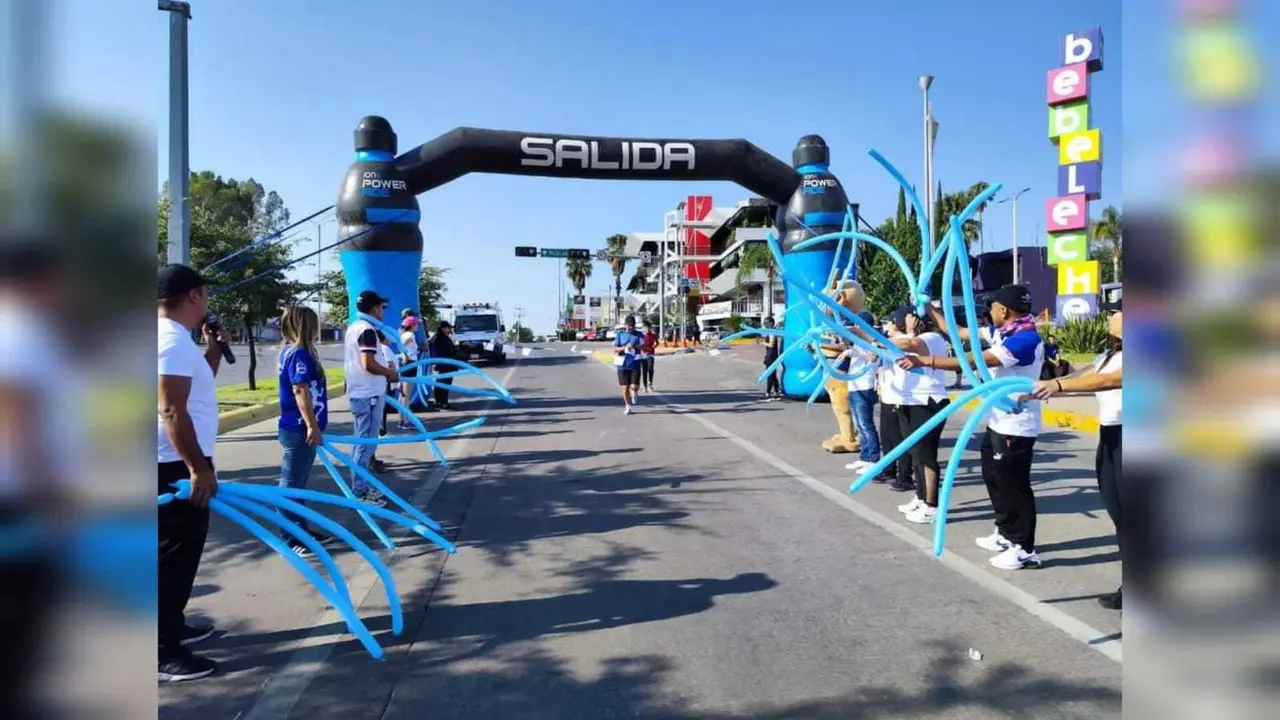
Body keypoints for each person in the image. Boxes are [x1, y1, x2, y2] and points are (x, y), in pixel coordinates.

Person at [901, 284, 1045, 570]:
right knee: (994, 480)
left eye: (992, 307)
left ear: (1003, 311)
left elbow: (971, 361)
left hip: (1017, 425)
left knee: (1013, 486)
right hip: (998, 421)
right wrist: (929, 306)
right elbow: (957, 332)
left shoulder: (1023, 340)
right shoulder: (1004, 332)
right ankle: (1005, 533)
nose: (989, 312)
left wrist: (925, 361)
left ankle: (1024, 547)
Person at [0, 240, 79, 712]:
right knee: (20, 620)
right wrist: (50, 494)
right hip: (21, 501)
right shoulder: (21, 332)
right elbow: (18, 416)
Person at [157, 263, 226, 681]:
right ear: (194, 296)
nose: (208, 301)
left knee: (175, 556)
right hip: (176, 466)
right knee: (173, 559)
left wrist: (213, 351)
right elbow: (170, 408)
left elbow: (193, 389)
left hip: (173, 460)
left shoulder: (171, 340)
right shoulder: (171, 341)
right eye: (206, 293)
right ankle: (163, 651)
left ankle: (173, 625)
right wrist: (198, 469)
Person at [1034, 298, 1123, 606]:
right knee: (1118, 511)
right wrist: (1053, 380)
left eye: (1115, 312)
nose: (1110, 317)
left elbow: (1113, 380)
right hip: (1111, 435)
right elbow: (1085, 376)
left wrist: (1059, 386)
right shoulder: (1111, 353)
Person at [276, 305, 330, 556]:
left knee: (299, 484)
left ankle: (300, 529)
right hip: (299, 428)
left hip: (301, 428)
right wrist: (311, 425)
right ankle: (291, 537)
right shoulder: (299, 355)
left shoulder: (295, 353)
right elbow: (300, 390)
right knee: (291, 484)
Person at [892, 308, 953, 524]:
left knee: (926, 455)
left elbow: (910, 345)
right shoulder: (914, 337)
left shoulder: (932, 337)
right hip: (912, 401)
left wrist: (905, 332)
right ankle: (920, 496)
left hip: (929, 401)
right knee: (915, 454)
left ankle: (932, 505)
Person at [342, 290, 396, 506]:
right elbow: (368, 364)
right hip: (368, 395)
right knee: (365, 444)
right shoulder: (366, 330)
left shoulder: (356, 328)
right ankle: (359, 493)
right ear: (374, 308)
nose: (383, 311)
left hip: (363, 393)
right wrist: (389, 372)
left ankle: (360, 487)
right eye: (381, 307)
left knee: (361, 443)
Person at [816, 280, 865, 454]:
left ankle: (849, 438)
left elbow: (843, 345)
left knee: (841, 405)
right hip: (832, 366)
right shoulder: (832, 323)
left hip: (840, 368)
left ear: (841, 298)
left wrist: (820, 347)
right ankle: (849, 433)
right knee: (838, 404)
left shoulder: (845, 324)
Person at [872, 311, 916, 492]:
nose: (885, 327)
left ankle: (904, 476)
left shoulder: (909, 341)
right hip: (888, 395)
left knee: (902, 440)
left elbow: (908, 343)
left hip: (903, 397)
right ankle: (889, 469)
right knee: (888, 438)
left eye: (888, 323)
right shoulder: (887, 342)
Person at [842, 310, 881, 472]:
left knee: (866, 424)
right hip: (854, 385)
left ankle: (873, 459)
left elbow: (873, 356)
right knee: (859, 424)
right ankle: (865, 457)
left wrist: (854, 350)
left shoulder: (873, 341)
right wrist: (847, 349)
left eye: (859, 324)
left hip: (865, 387)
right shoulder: (860, 341)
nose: (856, 327)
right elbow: (858, 353)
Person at [613, 315, 644, 413]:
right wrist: (625, 348)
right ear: (625, 325)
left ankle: (634, 392)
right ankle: (628, 405)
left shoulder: (639, 334)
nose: (631, 328)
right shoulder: (620, 334)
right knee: (625, 387)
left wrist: (634, 346)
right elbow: (615, 349)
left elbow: (643, 345)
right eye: (629, 326)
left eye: (633, 326)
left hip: (635, 363)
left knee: (634, 386)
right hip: (622, 364)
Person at [397, 315, 421, 429]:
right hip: (410, 364)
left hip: (407, 363)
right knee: (406, 395)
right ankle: (405, 421)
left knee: (403, 394)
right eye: (416, 324)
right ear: (412, 325)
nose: (418, 326)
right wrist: (405, 355)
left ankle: (402, 420)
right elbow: (402, 345)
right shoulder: (410, 334)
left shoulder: (403, 334)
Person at [427, 321, 456, 409]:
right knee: (444, 383)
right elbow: (440, 351)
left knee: (441, 383)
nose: (450, 329)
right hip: (444, 364)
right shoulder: (439, 337)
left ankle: (440, 402)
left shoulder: (440, 336)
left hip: (444, 364)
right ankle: (443, 402)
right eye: (449, 328)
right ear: (443, 328)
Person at [761, 315, 783, 400]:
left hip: (772, 355)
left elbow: (771, 344)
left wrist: (762, 342)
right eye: (764, 323)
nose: (765, 324)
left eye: (766, 323)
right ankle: (776, 392)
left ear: (771, 323)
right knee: (773, 374)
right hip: (770, 355)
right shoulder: (771, 331)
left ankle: (768, 393)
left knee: (769, 374)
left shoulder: (772, 332)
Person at [638, 321, 658, 392]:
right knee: (644, 370)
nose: (647, 329)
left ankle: (650, 383)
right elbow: (638, 344)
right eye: (646, 328)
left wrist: (655, 345)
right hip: (643, 355)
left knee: (650, 368)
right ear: (643, 328)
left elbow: (656, 342)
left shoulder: (653, 335)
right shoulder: (641, 336)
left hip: (650, 354)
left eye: (649, 328)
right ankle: (645, 385)